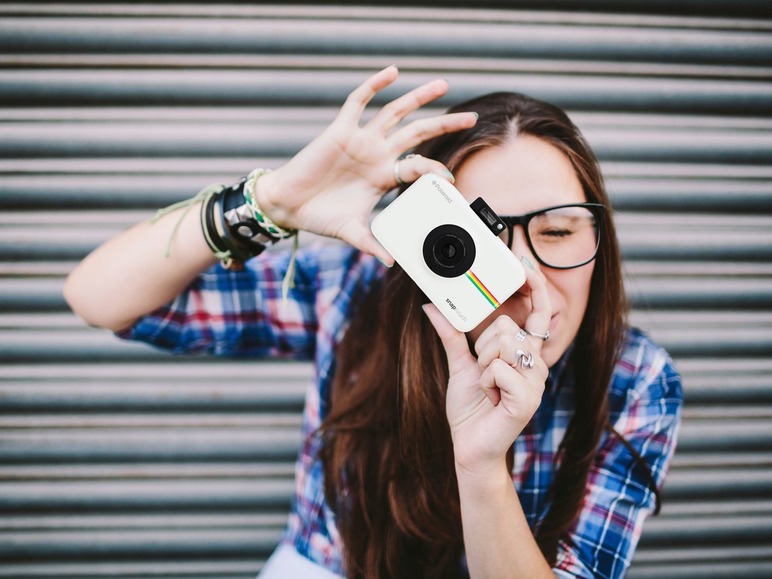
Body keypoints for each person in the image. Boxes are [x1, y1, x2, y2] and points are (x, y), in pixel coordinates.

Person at [64, 66, 682, 578]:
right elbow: (99, 297)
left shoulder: (635, 379)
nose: (523, 276)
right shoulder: (358, 286)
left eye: (558, 231)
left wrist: (481, 465)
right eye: (479, 237)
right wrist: (269, 202)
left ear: (600, 240)